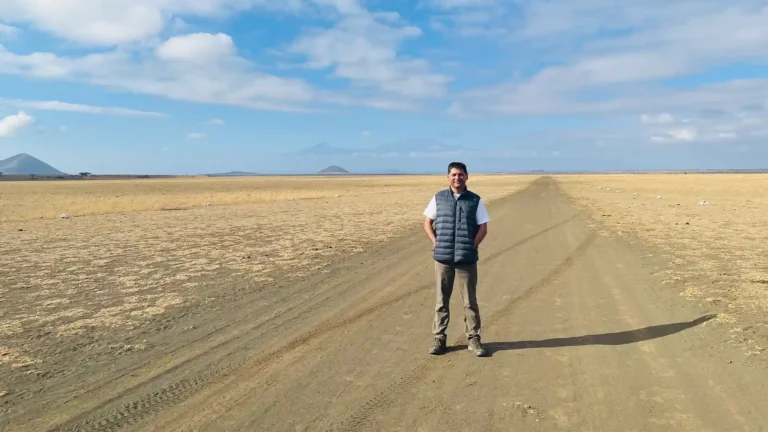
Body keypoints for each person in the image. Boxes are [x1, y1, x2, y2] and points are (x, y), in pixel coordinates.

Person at [423, 162, 490, 357]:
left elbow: (483, 227)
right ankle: (439, 339)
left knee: (470, 301)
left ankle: (474, 338)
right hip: (443, 259)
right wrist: (435, 242)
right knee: (441, 300)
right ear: (448, 177)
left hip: (466, 259)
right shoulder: (438, 198)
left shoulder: (475, 200)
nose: (457, 178)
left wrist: (473, 245)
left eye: (461, 174)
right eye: (453, 174)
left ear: (467, 176)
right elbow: (427, 222)